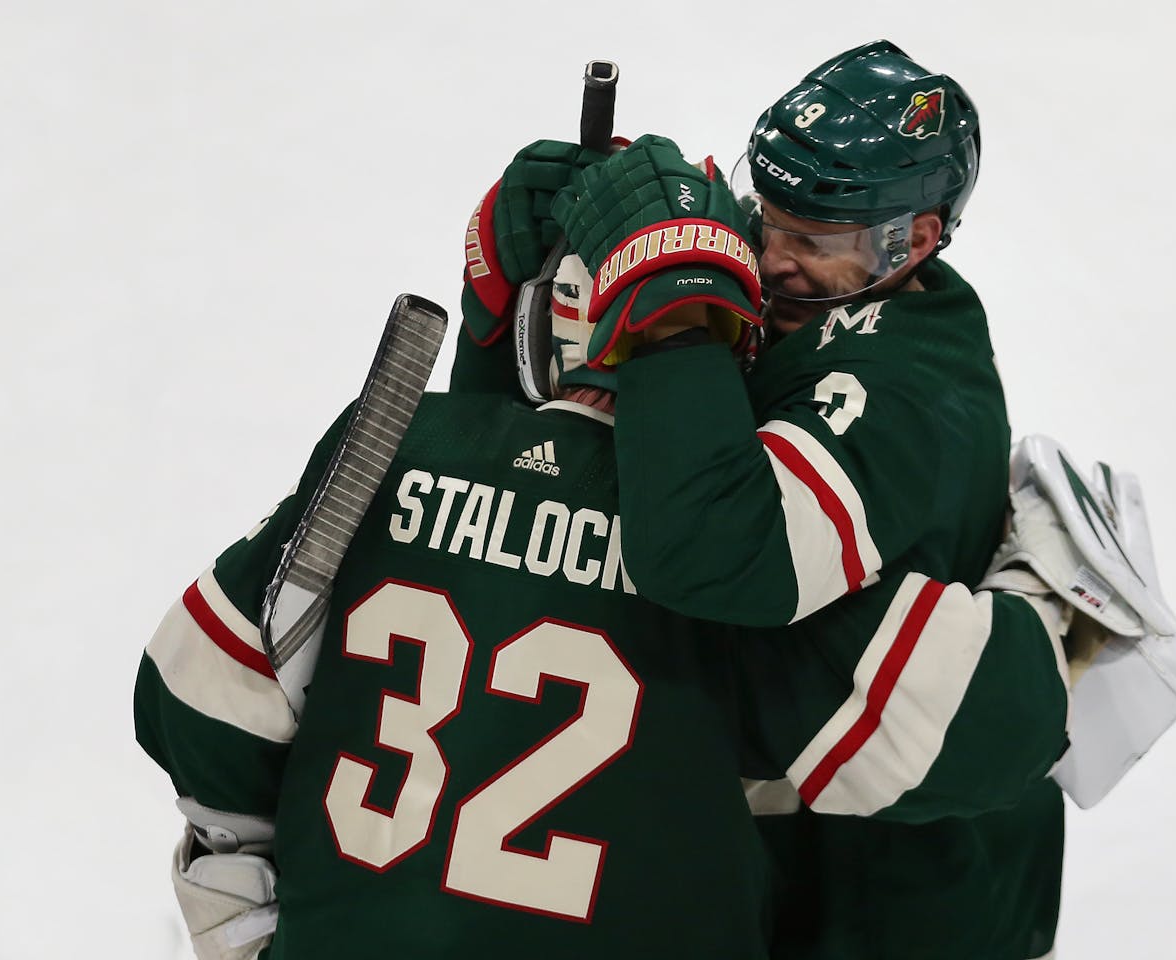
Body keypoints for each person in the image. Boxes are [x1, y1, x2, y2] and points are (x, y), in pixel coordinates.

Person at [134, 258, 1076, 959]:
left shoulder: (390, 447)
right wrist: (1042, 583)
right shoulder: (728, 571)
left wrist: (250, 913)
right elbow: (984, 732)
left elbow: (194, 688)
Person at [537, 39, 1069, 958]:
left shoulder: (911, 378)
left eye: (816, 244)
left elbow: (714, 555)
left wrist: (671, 318)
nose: (774, 259)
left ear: (917, 240)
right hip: (810, 821)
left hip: (911, 873)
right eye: (767, 218)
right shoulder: (810, 293)